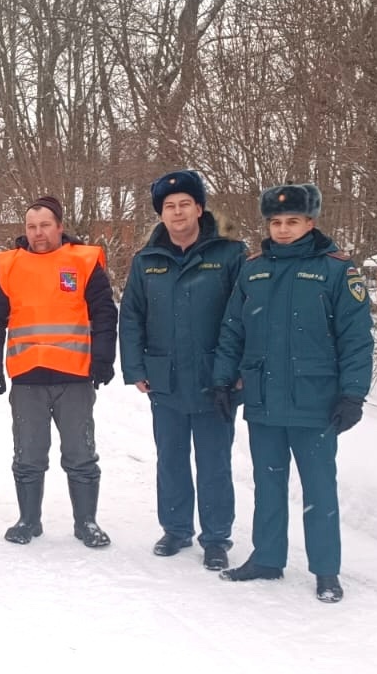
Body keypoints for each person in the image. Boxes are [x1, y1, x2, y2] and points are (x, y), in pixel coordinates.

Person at [210, 183, 373, 604]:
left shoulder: (337, 270)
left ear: (310, 223)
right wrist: (223, 380)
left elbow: (356, 338)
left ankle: (326, 570)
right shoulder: (253, 268)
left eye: (293, 221)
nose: (283, 229)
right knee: (267, 484)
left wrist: (353, 394)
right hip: (263, 397)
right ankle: (266, 558)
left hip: (315, 401)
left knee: (320, 489)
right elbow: (232, 329)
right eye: (276, 222)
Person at [119, 171, 247, 570]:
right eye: (169, 207)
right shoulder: (147, 261)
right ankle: (175, 529)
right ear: (161, 214)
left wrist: (235, 371)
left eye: (184, 204)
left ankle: (215, 538)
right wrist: (135, 367)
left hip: (215, 379)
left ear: (199, 208)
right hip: (165, 378)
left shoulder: (230, 254)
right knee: (170, 458)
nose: (177, 212)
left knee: (214, 462)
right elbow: (132, 317)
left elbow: (243, 316)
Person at [0, 195, 118, 548]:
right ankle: (29, 520)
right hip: (27, 379)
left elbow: (104, 314)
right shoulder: (11, 266)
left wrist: (103, 358)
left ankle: (86, 522)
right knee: (28, 456)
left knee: (81, 454)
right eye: (31, 226)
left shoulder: (83, 262)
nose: (38, 233)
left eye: (45, 225)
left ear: (59, 226)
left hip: (74, 378)